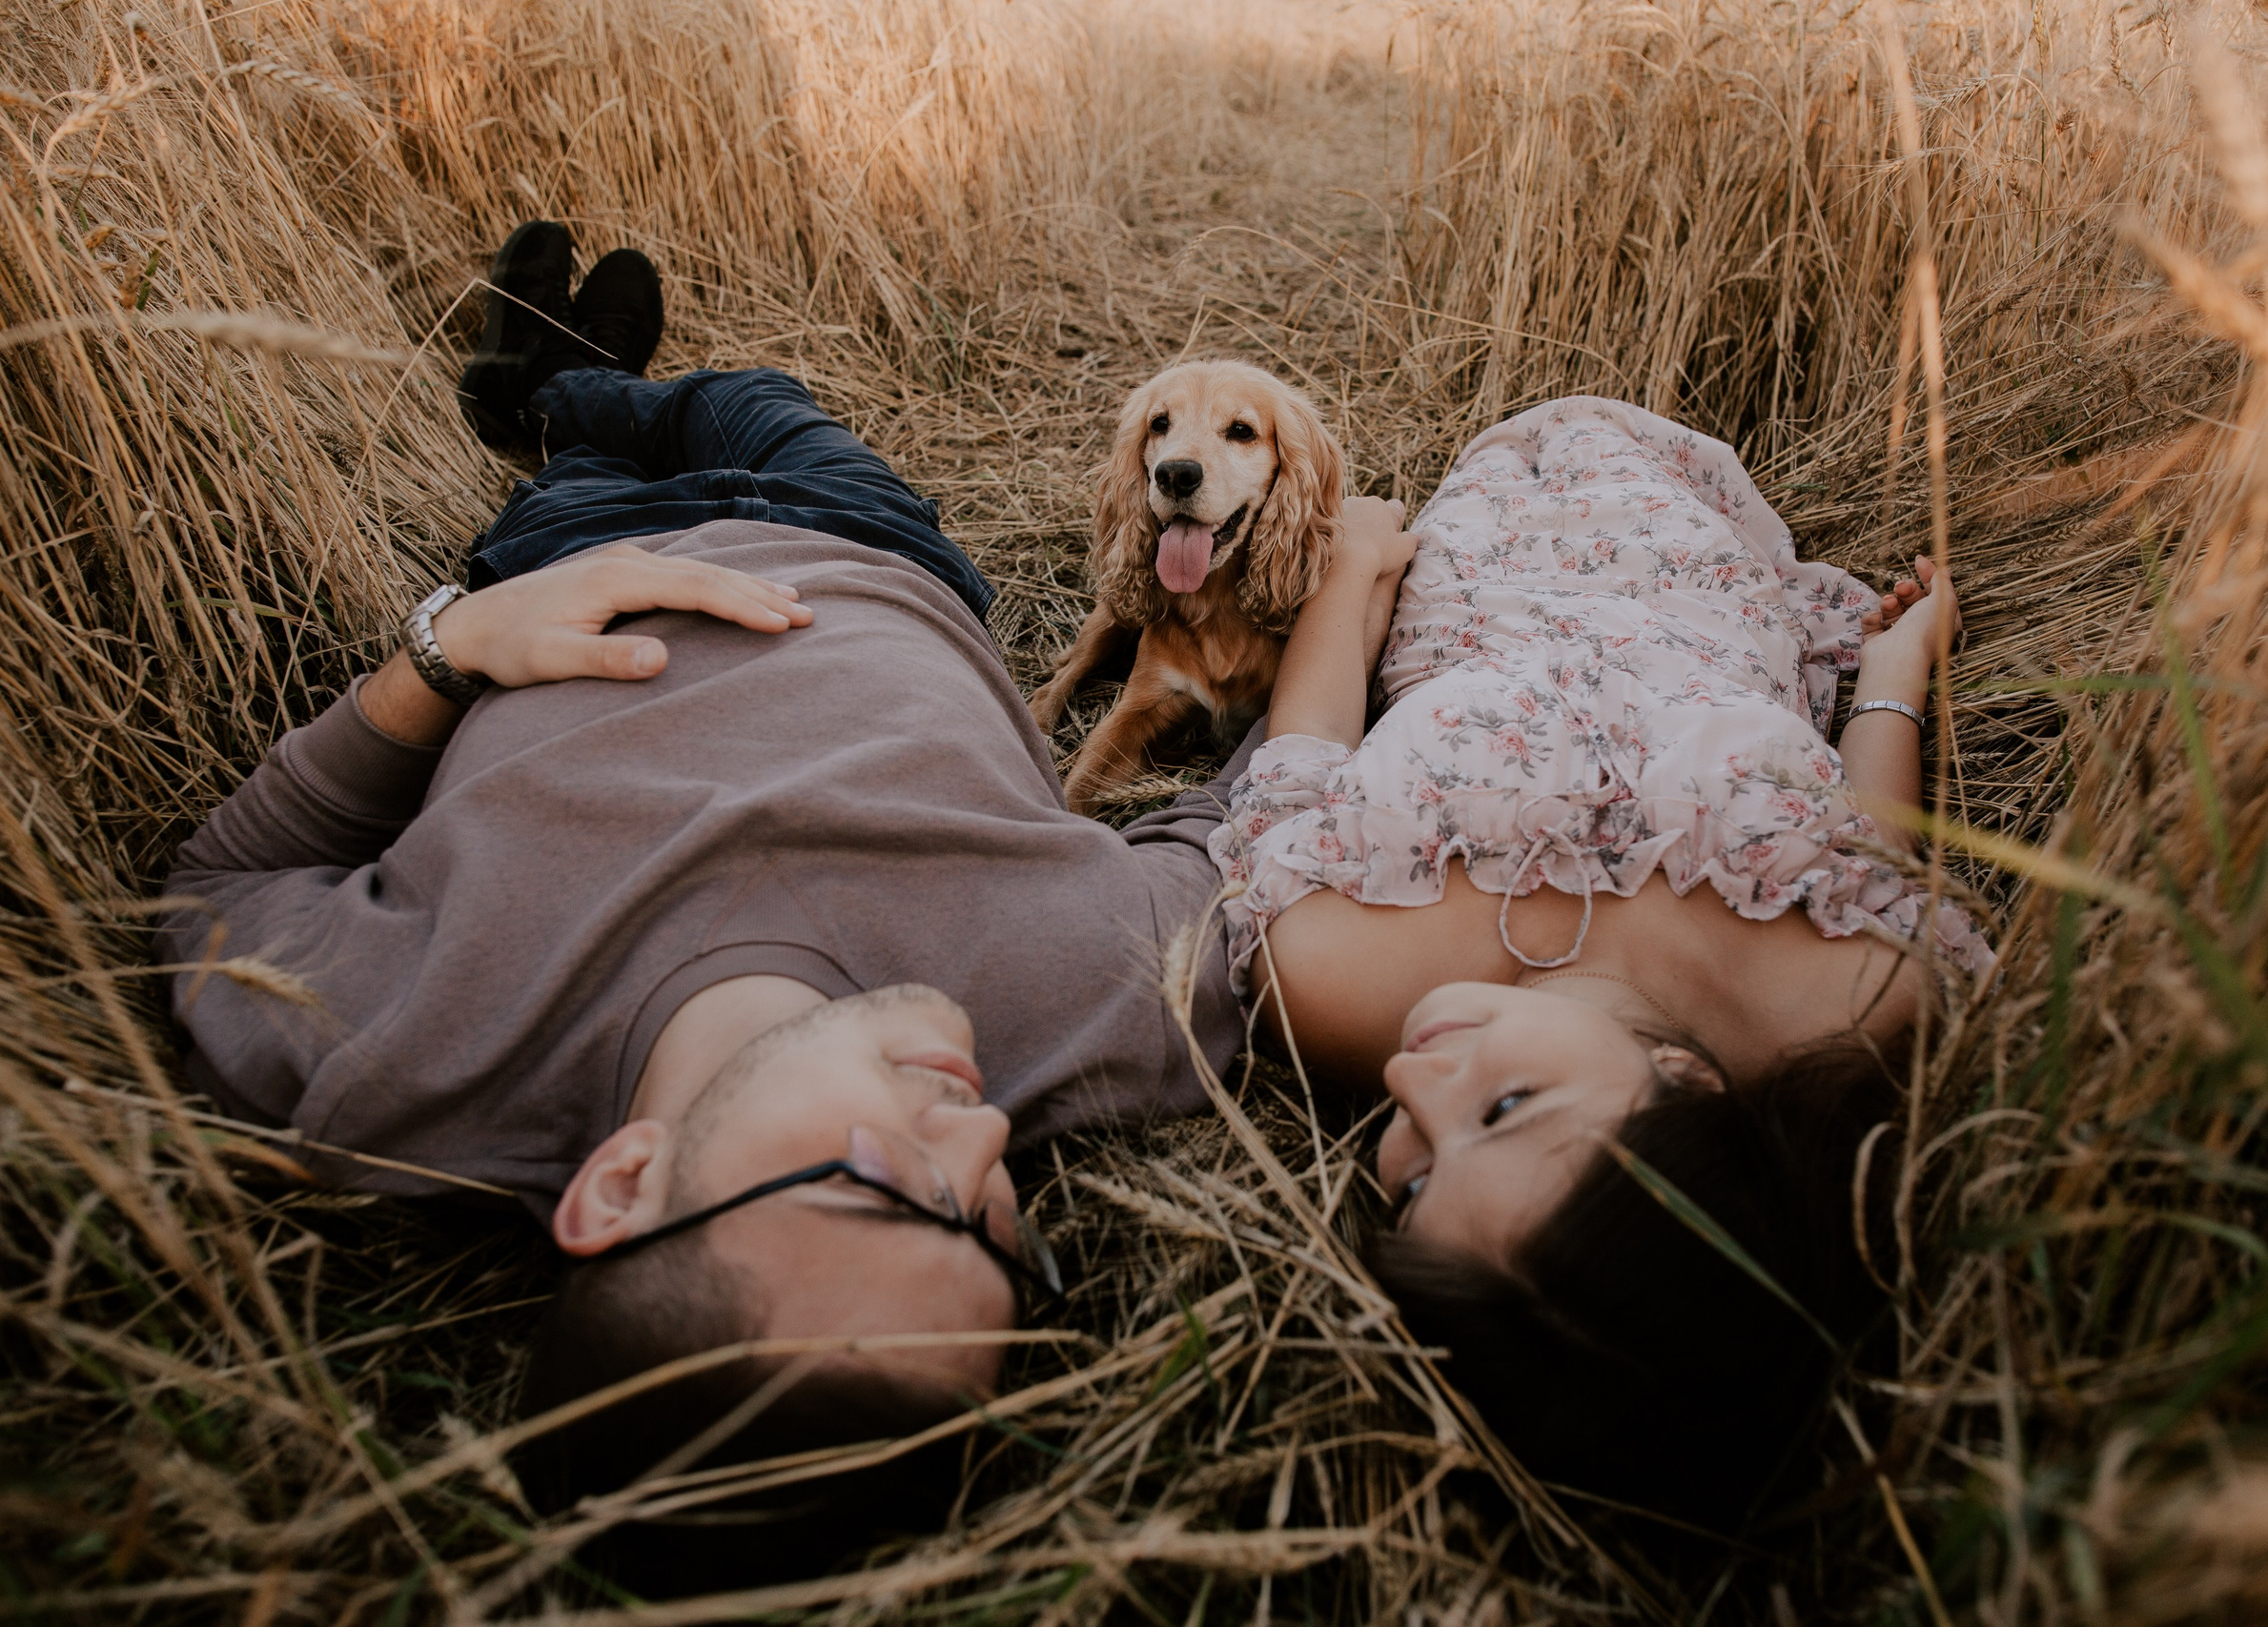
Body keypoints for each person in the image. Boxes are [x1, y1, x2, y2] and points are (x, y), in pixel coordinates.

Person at [153, 221, 1337, 1585]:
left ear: (626, 1182)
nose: (981, 1135)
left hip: (574, 552)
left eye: (887, 1186)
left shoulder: (388, 1057)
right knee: (760, 403)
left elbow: (218, 881)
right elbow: (1269, 801)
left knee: (591, 452)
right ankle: (582, 377)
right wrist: (1346, 594)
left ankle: (552, 390)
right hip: (874, 548)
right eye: (1007, 1230)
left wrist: (448, 651)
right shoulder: (1110, 1006)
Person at [1212, 398, 1990, 1528]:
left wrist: (1349, 578)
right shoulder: (1865, 998)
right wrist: (1896, 662)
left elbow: (1299, 764)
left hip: (1474, 536)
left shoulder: (1323, 974)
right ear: (1690, 1087)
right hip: (1680, 523)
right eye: (1508, 1107)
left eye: (1414, 1181)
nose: (1412, 1084)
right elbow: (1869, 835)